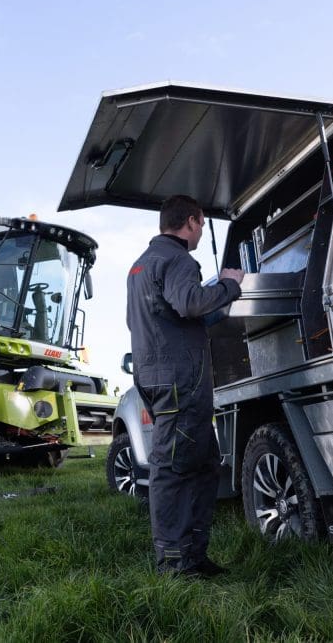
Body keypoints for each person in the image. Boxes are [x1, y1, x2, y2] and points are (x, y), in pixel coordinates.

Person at [126, 194, 244, 578]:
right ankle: (174, 564)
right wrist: (229, 286)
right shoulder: (178, 259)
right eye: (202, 225)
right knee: (173, 469)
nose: (201, 232)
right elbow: (190, 302)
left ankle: (193, 555)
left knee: (204, 463)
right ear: (191, 221)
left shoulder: (140, 266)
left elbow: (160, 318)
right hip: (181, 381)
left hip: (154, 375)